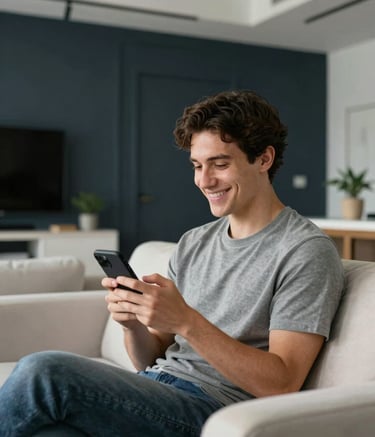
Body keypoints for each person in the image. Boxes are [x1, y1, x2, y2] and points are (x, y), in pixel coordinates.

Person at [0, 90, 344, 437]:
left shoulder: (305, 250)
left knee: (43, 370)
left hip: (214, 411)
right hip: (156, 391)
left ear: (264, 159)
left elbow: (281, 383)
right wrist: (133, 324)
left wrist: (186, 320)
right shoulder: (194, 242)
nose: (204, 181)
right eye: (197, 165)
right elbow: (151, 359)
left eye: (220, 164)